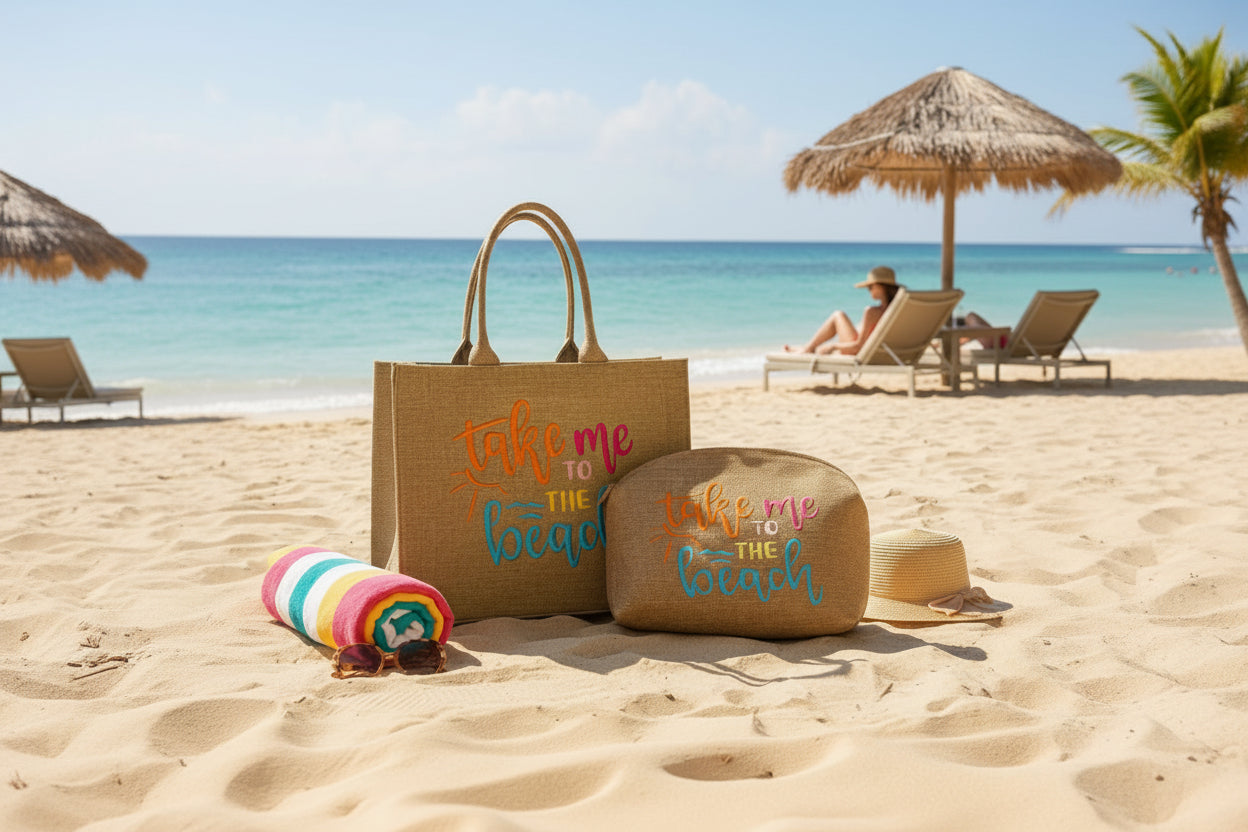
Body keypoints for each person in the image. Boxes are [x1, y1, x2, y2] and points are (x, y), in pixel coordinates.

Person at [784, 266, 901, 355]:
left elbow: (858, 347)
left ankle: (807, 349)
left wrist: (834, 346)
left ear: (881, 287)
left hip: (857, 351)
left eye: (870, 287)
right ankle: (808, 347)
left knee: (838, 315)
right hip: (888, 354)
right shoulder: (899, 310)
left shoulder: (872, 312)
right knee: (843, 319)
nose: (868, 290)